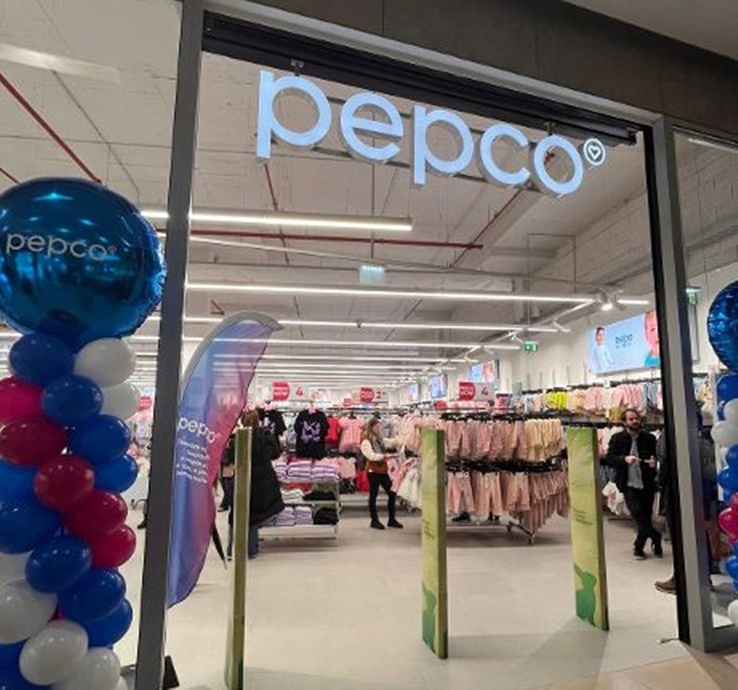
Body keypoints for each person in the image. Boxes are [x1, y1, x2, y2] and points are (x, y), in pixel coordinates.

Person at [654, 411, 718, 594]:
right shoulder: (704, 439)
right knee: (699, 533)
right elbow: (711, 470)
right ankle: (704, 577)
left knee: (679, 534)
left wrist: (659, 482)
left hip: (677, 490)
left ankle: (680, 578)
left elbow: (665, 462)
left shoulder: (670, 436)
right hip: (701, 492)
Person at [227, 410, 284, 560]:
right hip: (263, 480)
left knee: (236, 515)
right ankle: (252, 549)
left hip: (243, 478)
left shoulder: (238, 437)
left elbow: (230, 458)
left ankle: (232, 549)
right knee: (254, 516)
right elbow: (276, 454)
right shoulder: (266, 436)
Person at [606, 408, 662, 560]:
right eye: (631, 419)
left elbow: (656, 456)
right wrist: (624, 459)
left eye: (636, 418)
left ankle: (639, 547)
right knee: (637, 515)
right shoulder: (617, 438)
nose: (635, 421)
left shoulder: (649, 438)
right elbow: (610, 458)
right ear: (624, 422)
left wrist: (653, 462)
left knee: (646, 517)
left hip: (647, 483)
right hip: (628, 483)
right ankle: (655, 536)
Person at [360, 417, 403, 530]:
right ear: (372, 427)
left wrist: (402, 439)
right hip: (373, 471)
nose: (379, 428)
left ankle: (391, 519)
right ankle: (374, 520)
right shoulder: (366, 440)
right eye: (377, 426)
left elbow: (390, 442)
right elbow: (370, 456)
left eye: (379, 426)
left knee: (392, 493)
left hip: (383, 470)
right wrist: (384, 456)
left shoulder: (379, 439)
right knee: (373, 495)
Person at [219, 435, 235, 512]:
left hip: (229, 465)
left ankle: (226, 504)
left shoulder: (232, 442)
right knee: (224, 484)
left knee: (227, 486)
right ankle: (226, 503)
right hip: (223, 464)